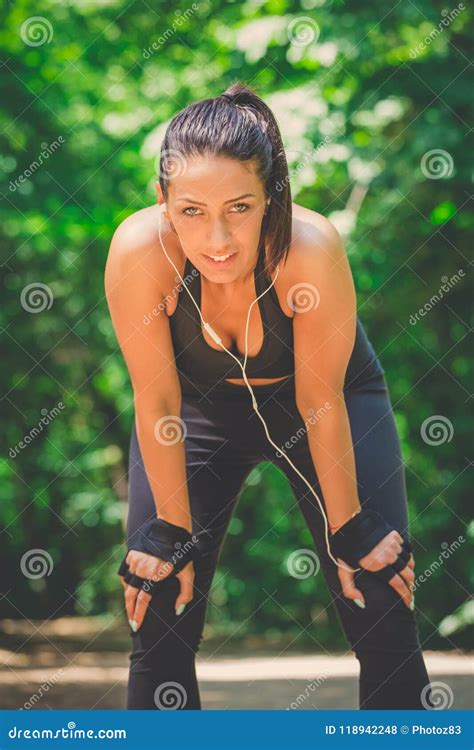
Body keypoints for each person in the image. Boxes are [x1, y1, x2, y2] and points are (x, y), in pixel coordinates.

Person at [104, 82, 433, 710]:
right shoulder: (141, 252)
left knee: (380, 589)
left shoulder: (309, 250)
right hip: (193, 413)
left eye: (241, 207)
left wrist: (350, 531)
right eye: (192, 210)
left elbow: (319, 402)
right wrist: (170, 533)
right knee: (158, 600)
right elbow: (156, 402)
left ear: (271, 199)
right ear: (163, 201)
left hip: (327, 401)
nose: (218, 238)